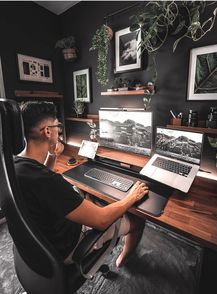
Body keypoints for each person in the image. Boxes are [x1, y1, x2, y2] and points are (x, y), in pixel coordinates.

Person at [14, 101, 149, 268]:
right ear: (47, 131)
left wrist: (53, 156)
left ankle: (91, 207)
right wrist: (131, 197)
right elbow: (101, 220)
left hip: (38, 246)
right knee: (137, 219)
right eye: (57, 125)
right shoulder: (46, 181)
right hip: (67, 248)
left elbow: (42, 177)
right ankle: (123, 259)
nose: (60, 129)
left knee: (84, 193)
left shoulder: (16, 165)